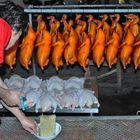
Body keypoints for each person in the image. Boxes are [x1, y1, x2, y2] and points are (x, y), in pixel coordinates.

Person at [0, 1, 37, 133]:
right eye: (20, 37)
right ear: (16, 31)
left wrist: (22, 119)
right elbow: (3, 93)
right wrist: (6, 95)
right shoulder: (2, 32)